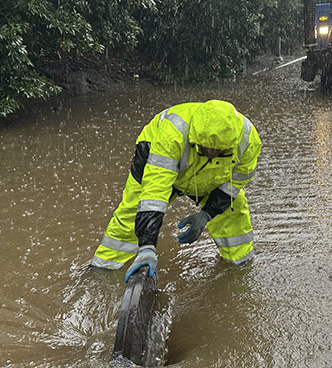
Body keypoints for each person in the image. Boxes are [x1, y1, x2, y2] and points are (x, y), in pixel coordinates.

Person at [91, 100, 262, 281]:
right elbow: (154, 192)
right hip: (156, 161)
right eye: (206, 147)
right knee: (131, 216)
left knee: (233, 215)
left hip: (214, 174)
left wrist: (207, 214)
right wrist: (147, 246)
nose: (211, 151)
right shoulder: (172, 133)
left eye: (218, 149)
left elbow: (233, 186)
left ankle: (241, 269)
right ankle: (102, 271)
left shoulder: (248, 141)